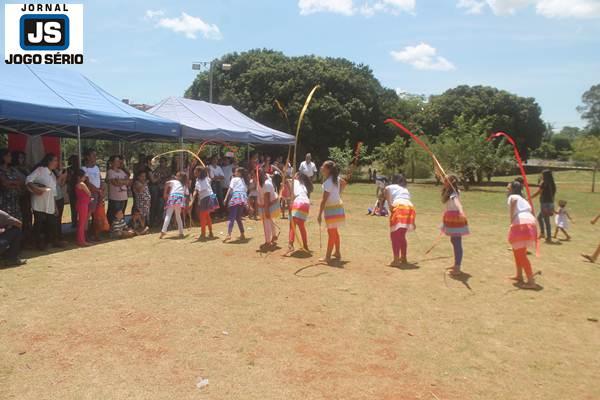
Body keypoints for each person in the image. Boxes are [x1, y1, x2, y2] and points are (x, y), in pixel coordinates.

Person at [26, 153, 65, 250]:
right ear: (49, 161)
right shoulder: (40, 170)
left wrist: (55, 206)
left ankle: (50, 241)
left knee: (51, 223)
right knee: (38, 223)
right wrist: (35, 189)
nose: (56, 163)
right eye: (55, 160)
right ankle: (36, 243)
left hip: (50, 203)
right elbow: (28, 180)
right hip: (39, 203)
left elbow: (53, 192)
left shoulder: (52, 174)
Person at [507, 181, 538, 289]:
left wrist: (511, 219)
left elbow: (514, 200)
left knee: (520, 254)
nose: (507, 186)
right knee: (517, 251)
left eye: (509, 185)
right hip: (529, 222)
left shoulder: (514, 196)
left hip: (521, 223)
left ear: (512, 188)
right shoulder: (523, 199)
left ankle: (531, 282)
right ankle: (519, 275)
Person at [317, 161, 346, 263]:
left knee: (332, 233)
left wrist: (319, 214)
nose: (321, 168)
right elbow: (344, 183)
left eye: (323, 167)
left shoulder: (328, 182)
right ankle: (337, 252)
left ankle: (328, 257)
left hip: (332, 209)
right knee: (334, 232)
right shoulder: (335, 179)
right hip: (336, 207)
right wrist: (338, 193)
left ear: (328, 170)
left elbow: (324, 200)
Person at [440, 175, 469, 276]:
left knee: (457, 242)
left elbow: (457, 203)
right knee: (454, 240)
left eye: (446, 180)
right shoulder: (448, 191)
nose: (444, 181)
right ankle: (456, 264)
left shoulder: (454, 193)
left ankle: (458, 267)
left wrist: (461, 211)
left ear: (451, 182)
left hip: (455, 218)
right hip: (451, 217)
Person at [385, 174, 415, 266]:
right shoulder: (405, 189)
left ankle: (396, 260)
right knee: (402, 235)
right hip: (410, 209)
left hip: (399, 208)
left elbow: (386, 189)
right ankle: (403, 258)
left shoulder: (392, 186)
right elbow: (407, 201)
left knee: (394, 235)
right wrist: (413, 222)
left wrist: (390, 205)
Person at [286, 172, 313, 254]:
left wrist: (286, 180)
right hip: (306, 203)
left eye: (295, 175)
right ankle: (305, 245)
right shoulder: (303, 185)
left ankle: (290, 245)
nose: (293, 175)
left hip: (299, 202)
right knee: (301, 225)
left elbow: (287, 180)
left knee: (292, 225)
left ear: (298, 177)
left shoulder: (296, 182)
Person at [81, 149, 103, 241]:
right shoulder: (84, 169)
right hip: (90, 193)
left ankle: (95, 233)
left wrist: (101, 189)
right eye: (93, 155)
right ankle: (85, 235)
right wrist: (97, 190)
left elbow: (100, 179)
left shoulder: (97, 168)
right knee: (88, 214)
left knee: (97, 214)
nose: (95, 157)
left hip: (98, 192)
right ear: (87, 157)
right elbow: (87, 183)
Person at [10, 151, 32, 244]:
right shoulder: (12, 169)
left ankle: (28, 238)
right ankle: (21, 240)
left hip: (28, 195)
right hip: (19, 196)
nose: (21, 160)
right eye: (20, 158)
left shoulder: (26, 168)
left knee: (28, 217)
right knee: (22, 217)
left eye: (23, 158)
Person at [192, 166, 218, 240]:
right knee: (206, 215)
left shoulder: (202, 179)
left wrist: (192, 201)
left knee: (203, 216)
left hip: (206, 198)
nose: (194, 172)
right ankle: (210, 232)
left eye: (195, 171)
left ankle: (203, 234)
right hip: (210, 196)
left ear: (199, 172)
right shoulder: (206, 178)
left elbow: (195, 191)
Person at [223, 167, 250, 242]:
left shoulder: (234, 179)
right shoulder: (243, 180)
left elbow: (230, 189)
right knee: (238, 217)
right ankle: (242, 233)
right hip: (242, 198)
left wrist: (225, 198)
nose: (234, 173)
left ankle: (229, 234)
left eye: (236, 171)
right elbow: (245, 190)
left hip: (236, 197)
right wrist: (247, 202)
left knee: (232, 216)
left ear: (239, 173)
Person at [160, 172, 188, 239]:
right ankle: (181, 232)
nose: (175, 176)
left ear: (179, 177)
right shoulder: (183, 185)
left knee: (168, 214)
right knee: (178, 215)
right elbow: (186, 194)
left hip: (173, 197)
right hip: (179, 198)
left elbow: (166, 183)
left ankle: (163, 231)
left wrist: (165, 193)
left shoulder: (174, 181)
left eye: (177, 175)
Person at [257, 168, 280, 248]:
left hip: (268, 205)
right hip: (266, 205)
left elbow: (267, 198)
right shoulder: (263, 182)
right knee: (270, 221)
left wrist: (266, 210)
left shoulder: (266, 184)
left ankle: (268, 242)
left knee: (267, 223)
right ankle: (274, 236)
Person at [532, 170, 556, 243]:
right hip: (550, 203)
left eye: (542, 174)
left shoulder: (544, 183)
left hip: (545, 203)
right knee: (539, 217)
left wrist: (530, 197)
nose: (541, 175)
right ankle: (542, 233)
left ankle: (549, 237)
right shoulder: (552, 183)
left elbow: (539, 192)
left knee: (546, 220)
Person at [0, 149, 24, 221]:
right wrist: (15, 184)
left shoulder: (12, 169)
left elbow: (20, 181)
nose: (11, 158)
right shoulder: (1, 170)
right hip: (4, 200)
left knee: (16, 221)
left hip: (15, 200)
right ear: (3, 157)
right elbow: (4, 183)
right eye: (9, 156)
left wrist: (12, 183)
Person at [106, 155, 131, 224]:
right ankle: (114, 229)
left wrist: (120, 181)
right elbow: (115, 183)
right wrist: (124, 181)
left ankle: (121, 228)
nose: (119, 162)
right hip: (115, 198)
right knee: (115, 214)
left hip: (123, 197)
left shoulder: (121, 171)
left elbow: (129, 182)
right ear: (112, 162)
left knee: (121, 214)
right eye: (117, 161)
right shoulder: (110, 172)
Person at [74, 169, 92, 247]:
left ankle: (80, 239)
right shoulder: (82, 184)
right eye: (84, 176)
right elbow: (89, 193)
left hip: (81, 204)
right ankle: (81, 240)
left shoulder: (77, 184)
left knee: (81, 223)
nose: (85, 177)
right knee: (82, 223)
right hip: (83, 205)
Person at [52, 167, 68, 242]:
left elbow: (61, 184)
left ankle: (59, 237)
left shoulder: (56, 171)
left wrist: (64, 177)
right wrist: (61, 176)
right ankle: (55, 238)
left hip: (60, 198)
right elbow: (54, 184)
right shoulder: (49, 174)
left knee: (59, 220)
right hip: (54, 199)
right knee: (55, 220)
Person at [66, 155, 80, 228]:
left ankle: (79, 221)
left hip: (80, 190)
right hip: (72, 190)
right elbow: (67, 180)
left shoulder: (79, 168)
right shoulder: (68, 170)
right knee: (73, 207)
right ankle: (74, 222)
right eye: (73, 160)